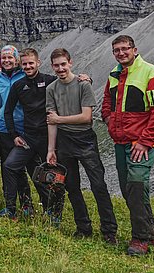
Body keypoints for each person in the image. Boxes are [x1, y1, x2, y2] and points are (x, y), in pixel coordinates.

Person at [101, 35, 154, 256]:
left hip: (141, 143)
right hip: (120, 142)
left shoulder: (151, 73)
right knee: (129, 190)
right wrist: (108, 120)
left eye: (125, 49)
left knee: (137, 184)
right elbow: (108, 101)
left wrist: (146, 141)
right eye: (116, 50)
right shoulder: (114, 74)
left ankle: (140, 239)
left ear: (134, 50)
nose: (121, 53)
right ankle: (150, 232)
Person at [46, 48, 117, 244]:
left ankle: (109, 230)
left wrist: (60, 118)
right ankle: (83, 227)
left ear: (70, 63)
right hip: (65, 141)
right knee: (72, 186)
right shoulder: (51, 89)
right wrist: (51, 150)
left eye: (63, 64)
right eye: (56, 65)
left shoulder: (83, 85)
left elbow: (86, 117)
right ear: (52, 66)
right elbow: (51, 121)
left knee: (98, 185)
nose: (60, 68)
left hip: (85, 139)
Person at [2, 48, 54, 218]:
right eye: (25, 64)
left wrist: (85, 78)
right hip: (28, 137)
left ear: (38, 62)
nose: (28, 66)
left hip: (48, 138)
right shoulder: (18, 85)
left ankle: (51, 210)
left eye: (31, 63)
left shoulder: (49, 81)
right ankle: (10, 208)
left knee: (45, 174)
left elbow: (68, 80)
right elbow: (7, 112)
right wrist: (14, 135)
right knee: (9, 166)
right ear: (20, 64)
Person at [0, 45, 33, 215]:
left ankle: (27, 203)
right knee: (7, 166)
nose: (7, 61)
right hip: (5, 127)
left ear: (16, 59)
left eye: (10, 57)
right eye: (4, 58)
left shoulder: (25, 75)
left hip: (24, 127)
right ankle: (11, 204)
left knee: (24, 167)